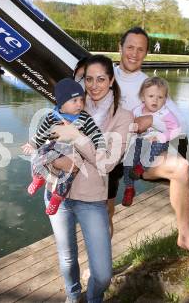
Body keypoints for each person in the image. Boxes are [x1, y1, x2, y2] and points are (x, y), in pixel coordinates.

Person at [111, 26, 189, 261]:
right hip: (107, 153)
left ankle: (185, 235)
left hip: (139, 154)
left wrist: (152, 119)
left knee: (181, 167)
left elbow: (180, 125)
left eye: (140, 49)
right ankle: (102, 265)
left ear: (146, 53)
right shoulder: (105, 76)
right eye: (130, 47)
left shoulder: (151, 87)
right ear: (120, 47)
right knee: (104, 209)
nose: (134, 53)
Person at [45, 54, 133, 302]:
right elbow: (45, 147)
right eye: (88, 79)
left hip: (92, 199)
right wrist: (56, 164)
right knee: (67, 257)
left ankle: (94, 298)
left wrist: (75, 136)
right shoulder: (66, 107)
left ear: (111, 80)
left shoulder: (122, 117)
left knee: (103, 274)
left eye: (101, 79)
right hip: (57, 193)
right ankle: (73, 296)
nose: (93, 85)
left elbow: (106, 164)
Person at [22, 78, 106, 216]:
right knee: (39, 154)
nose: (80, 104)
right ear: (61, 102)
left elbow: (96, 134)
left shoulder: (85, 118)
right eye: (74, 101)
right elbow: (42, 133)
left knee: (67, 175)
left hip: (73, 151)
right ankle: (38, 178)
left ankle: (57, 197)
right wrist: (32, 143)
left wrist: (101, 147)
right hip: (54, 148)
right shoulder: (51, 116)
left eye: (81, 100)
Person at [122, 76, 181, 206]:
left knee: (156, 144)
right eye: (151, 96)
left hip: (157, 142)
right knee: (127, 162)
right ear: (143, 97)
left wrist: (162, 137)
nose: (155, 100)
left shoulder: (165, 113)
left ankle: (141, 167)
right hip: (140, 142)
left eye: (160, 97)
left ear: (165, 100)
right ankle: (129, 188)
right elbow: (128, 124)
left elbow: (177, 129)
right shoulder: (136, 111)